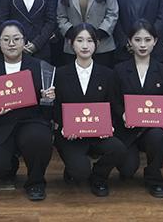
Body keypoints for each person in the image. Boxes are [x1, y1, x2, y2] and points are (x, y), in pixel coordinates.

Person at [0, 21, 55, 201]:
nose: (11, 44)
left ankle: (36, 182)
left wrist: (47, 98)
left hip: (30, 121)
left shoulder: (39, 66)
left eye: (16, 39)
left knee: (39, 139)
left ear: (24, 41)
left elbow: (47, 107)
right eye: (6, 39)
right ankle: (10, 166)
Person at [54, 23, 126, 197]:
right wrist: (64, 127)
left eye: (89, 41)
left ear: (97, 44)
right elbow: (57, 108)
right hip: (70, 135)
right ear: (71, 43)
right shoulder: (60, 74)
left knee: (118, 149)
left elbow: (112, 104)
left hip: (97, 133)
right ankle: (73, 168)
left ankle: (99, 177)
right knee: (80, 173)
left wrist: (108, 126)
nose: (85, 46)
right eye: (80, 40)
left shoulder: (108, 74)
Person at [113, 20, 163, 198]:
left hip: (152, 128)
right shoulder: (119, 69)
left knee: (158, 136)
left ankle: (154, 177)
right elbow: (114, 101)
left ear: (155, 41)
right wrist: (123, 115)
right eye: (137, 40)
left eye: (147, 40)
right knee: (127, 170)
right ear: (129, 41)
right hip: (127, 129)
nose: (142, 45)